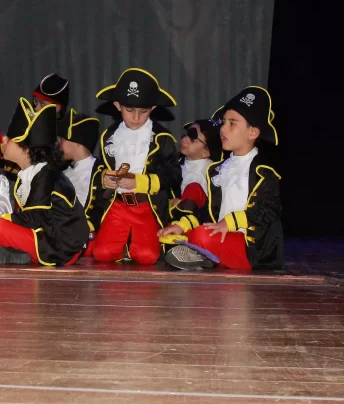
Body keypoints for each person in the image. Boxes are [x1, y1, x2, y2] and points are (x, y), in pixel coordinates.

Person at [159, 86, 282, 270]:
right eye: (224, 122)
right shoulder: (218, 170)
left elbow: (270, 210)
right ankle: (203, 254)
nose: (223, 128)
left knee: (201, 236)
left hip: (250, 249)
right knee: (175, 232)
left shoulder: (264, 173)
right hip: (222, 237)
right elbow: (208, 213)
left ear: (252, 132)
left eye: (232, 124)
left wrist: (230, 222)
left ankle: (204, 255)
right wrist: (183, 225)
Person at [0, 99, 90, 265]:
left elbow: (34, 217)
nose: (4, 140)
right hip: (43, 234)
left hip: (60, 245)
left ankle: (22, 253)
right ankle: (18, 254)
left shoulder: (46, 175)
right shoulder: (30, 174)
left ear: (25, 149)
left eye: (10, 138)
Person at [92, 68, 181, 265]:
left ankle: (132, 244)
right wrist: (105, 178)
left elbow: (174, 175)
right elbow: (99, 168)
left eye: (144, 111)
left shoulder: (162, 138)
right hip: (117, 205)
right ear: (117, 105)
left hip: (147, 206)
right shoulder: (109, 136)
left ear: (153, 108)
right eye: (129, 110)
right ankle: (126, 244)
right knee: (102, 254)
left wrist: (140, 182)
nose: (136, 117)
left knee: (147, 256)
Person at [57, 108, 106, 257]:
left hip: (88, 239)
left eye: (62, 139)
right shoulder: (62, 171)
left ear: (78, 142)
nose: (59, 144)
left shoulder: (101, 172)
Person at [171, 118, 222, 217]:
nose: (185, 139)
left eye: (193, 139)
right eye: (186, 134)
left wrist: (178, 204)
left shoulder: (207, 175)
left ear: (206, 152)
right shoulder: (177, 162)